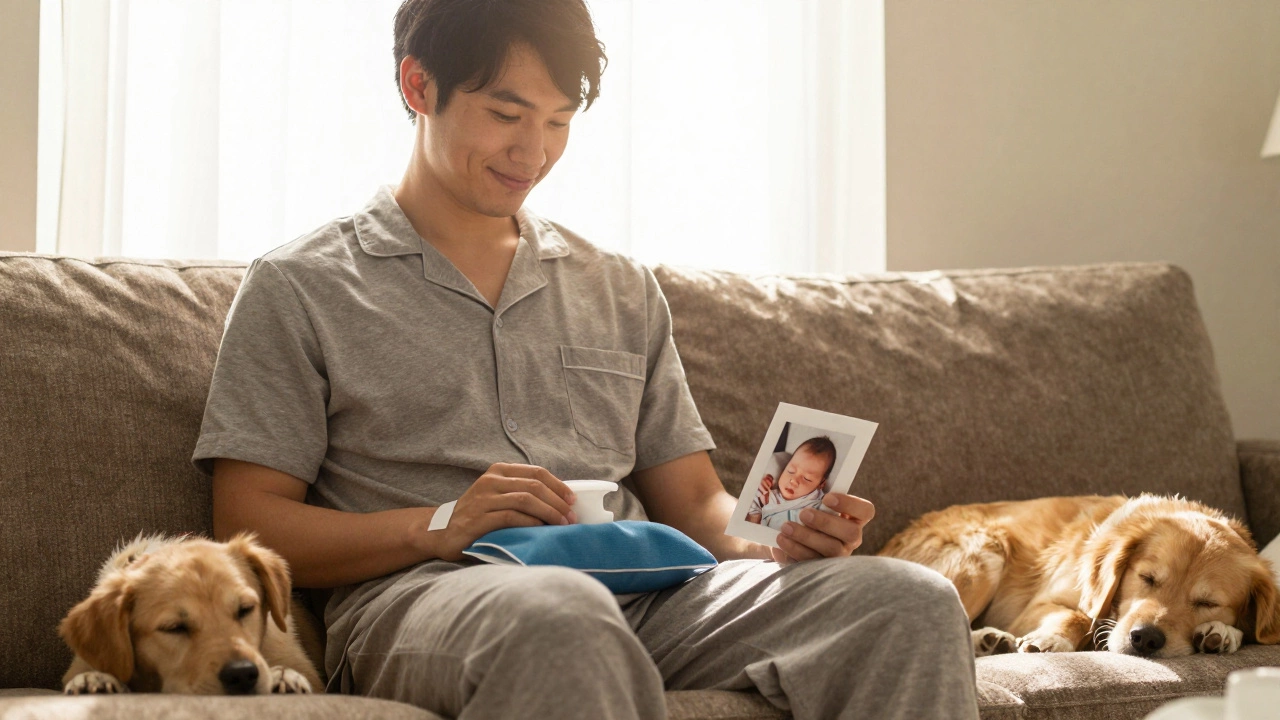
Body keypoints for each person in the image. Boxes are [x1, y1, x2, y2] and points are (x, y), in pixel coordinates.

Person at [192, 1, 982, 718]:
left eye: (559, 121)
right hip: (431, 599)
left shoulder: (620, 288)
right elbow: (247, 523)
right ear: (417, 84)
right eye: (506, 113)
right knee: (563, 616)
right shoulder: (300, 286)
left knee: (907, 599)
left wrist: (777, 538)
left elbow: (698, 506)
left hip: (652, 592)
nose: (532, 151)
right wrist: (439, 525)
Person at [746, 436, 837, 529]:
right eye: (791, 471)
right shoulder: (768, 495)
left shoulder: (817, 504)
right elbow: (753, 516)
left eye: (807, 478)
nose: (793, 481)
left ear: (821, 484)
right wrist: (760, 490)